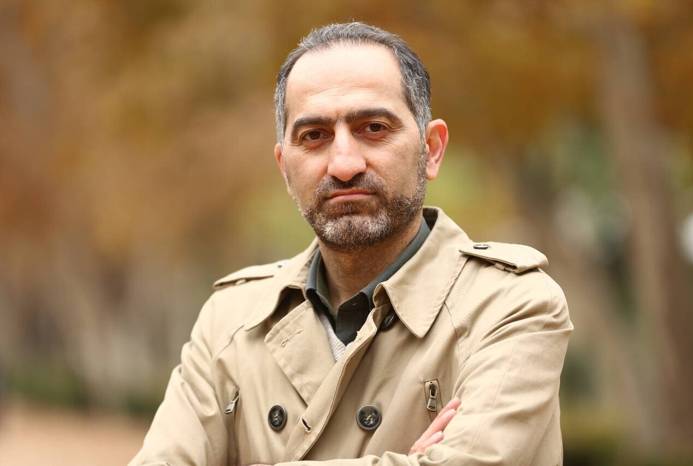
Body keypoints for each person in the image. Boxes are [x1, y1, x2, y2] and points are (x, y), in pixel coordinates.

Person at [129, 22, 573, 466]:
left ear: (431, 149)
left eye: (373, 128)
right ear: (285, 168)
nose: (343, 164)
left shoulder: (510, 306)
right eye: (314, 136)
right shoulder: (231, 321)